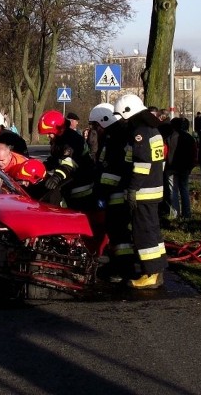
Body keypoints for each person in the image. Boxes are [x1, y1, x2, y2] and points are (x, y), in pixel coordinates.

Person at [113, 94, 168, 289]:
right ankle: (157, 269)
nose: (122, 121)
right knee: (152, 231)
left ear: (128, 112)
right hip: (153, 189)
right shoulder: (151, 129)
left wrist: (133, 189)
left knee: (144, 232)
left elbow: (142, 164)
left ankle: (150, 274)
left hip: (144, 191)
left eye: (122, 116)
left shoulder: (140, 132)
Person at [89, 103, 134, 282]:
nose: (94, 130)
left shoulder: (116, 137)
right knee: (115, 231)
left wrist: (102, 188)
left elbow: (114, 168)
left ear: (104, 122)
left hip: (117, 194)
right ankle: (120, 265)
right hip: (113, 192)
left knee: (120, 232)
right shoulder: (112, 135)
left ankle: (124, 269)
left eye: (95, 126)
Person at [38, 110, 94, 210]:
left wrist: (57, 176)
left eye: (49, 133)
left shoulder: (72, 139)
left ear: (57, 129)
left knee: (78, 212)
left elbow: (69, 162)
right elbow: (56, 158)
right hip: (70, 179)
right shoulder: (60, 139)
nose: (48, 136)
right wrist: (43, 166)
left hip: (81, 183)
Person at [165, 117, 197, 219]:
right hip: (184, 168)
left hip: (172, 167)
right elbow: (194, 153)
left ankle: (175, 213)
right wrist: (190, 166)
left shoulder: (169, 137)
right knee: (184, 189)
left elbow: (165, 152)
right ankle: (187, 213)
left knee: (173, 191)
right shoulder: (189, 138)